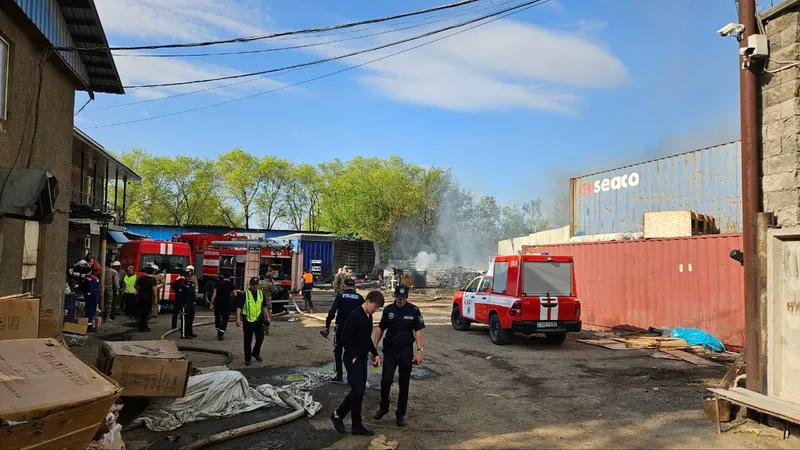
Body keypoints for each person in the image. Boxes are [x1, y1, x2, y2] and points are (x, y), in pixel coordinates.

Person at [330, 290, 384, 436]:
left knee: (359, 393)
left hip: (362, 358)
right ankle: (337, 415)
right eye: (375, 307)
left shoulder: (368, 316)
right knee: (358, 390)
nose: (376, 310)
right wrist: (353, 355)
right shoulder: (354, 315)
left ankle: (357, 425)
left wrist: (375, 353)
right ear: (368, 301)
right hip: (352, 358)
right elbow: (344, 337)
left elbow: (366, 338)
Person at [373, 284, 425, 427]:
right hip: (390, 350)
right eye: (398, 298)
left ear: (407, 297)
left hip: (405, 351)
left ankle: (400, 414)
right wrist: (374, 347)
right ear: (394, 297)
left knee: (404, 383)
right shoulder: (388, 310)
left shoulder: (414, 310)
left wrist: (419, 351)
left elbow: (418, 331)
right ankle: (383, 407)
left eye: (403, 298)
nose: (401, 301)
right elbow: (381, 328)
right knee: (386, 380)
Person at [324, 277, 364, 382]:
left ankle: (339, 376)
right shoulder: (359, 298)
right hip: (355, 331)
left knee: (338, 352)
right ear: (354, 286)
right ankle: (352, 377)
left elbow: (332, 312)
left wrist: (327, 326)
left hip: (341, 328)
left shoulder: (341, 296)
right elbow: (365, 314)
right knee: (351, 352)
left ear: (344, 285)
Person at [235, 277, 271, 366]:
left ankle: (255, 352)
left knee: (260, 338)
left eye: (256, 284)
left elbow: (264, 306)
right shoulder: (245, 295)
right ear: (250, 285)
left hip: (258, 320)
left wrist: (267, 316)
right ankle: (248, 358)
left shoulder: (260, 294)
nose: (255, 286)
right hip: (248, 321)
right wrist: (238, 319)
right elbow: (239, 307)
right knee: (247, 341)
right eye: (253, 284)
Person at [172, 269, 197, 339]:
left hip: (191, 304)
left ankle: (190, 332)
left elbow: (192, 294)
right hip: (185, 304)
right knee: (185, 319)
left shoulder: (192, 283)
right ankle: (184, 334)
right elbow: (180, 296)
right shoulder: (182, 284)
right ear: (185, 276)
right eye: (188, 276)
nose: (190, 277)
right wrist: (183, 304)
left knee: (191, 319)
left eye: (191, 276)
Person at [210, 274, 236, 341]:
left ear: (223, 277)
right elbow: (235, 294)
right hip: (226, 305)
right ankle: (221, 334)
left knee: (217, 318)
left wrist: (211, 303)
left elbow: (214, 294)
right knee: (225, 319)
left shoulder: (217, 284)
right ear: (229, 277)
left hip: (218, 304)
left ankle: (218, 330)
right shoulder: (231, 284)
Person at [134, 266, 158, 332]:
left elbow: (135, 286)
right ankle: (143, 327)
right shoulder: (153, 280)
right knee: (146, 313)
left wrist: (139, 291)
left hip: (141, 297)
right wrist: (155, 299)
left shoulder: (141, 278)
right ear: (153, 272)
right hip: (148, 298)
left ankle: (144, 326)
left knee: (142, 313)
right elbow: (154, 290)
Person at [86, 264, 102, 332]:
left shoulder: (89, 277)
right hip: (93, 296)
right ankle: (89, 326)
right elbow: (92, 288)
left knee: (89, 310)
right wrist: (98, 291)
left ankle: (89, 325)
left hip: (90, 296)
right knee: (91, 311)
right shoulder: (94, 279)